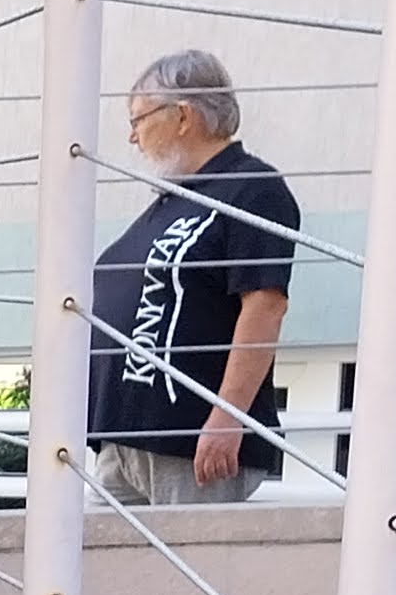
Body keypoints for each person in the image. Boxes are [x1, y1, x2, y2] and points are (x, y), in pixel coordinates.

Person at [86, 49, 302, 506]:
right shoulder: (175, 200)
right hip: (124, 442)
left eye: (138, 119)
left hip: (189, 447)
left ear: (183, 116)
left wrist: (227, 416)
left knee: (182, 555)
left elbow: (264, 304)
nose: (132, 137)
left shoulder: (251, 188)